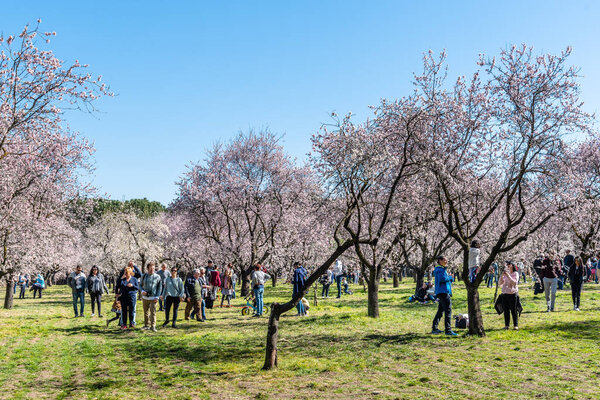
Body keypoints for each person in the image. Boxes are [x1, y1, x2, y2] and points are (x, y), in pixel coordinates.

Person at [431, 256, 457, 336]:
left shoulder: (441, 269)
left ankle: (434, 328)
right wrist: (450, 277)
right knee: (448, 311)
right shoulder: (440, 270)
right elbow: (443, 279)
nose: (447, 261)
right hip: (443, 292)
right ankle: (448, 330)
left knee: (440, 311)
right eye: (445, 260)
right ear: (440, 260)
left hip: (442, 292)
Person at [116, 261, 142, 327]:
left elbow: (137, 288)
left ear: (130, 273)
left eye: (127, 273)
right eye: (125, 273)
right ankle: (124, 324)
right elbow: (118, 285)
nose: (126, 274)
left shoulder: (134, 279)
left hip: (132, 296)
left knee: (131, 310)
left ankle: (131, 323)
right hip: (124, 296)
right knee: (124, 311)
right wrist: (121, 278)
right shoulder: (122, 279)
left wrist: (132, 285)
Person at [140, 262, 163, 332]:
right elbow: (140, 285)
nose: (152, 269)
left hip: (154, 298)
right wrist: (142, 291)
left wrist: (157, 296)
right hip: (145, 298)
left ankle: (153, 326)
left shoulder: (157, 277)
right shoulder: (144, 276)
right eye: (151, 268)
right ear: (147, 268)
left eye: (153, 268)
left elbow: (160, 287)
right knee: (146, 312)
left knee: (153, 312)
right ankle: (146, 325)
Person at [498, 261, 519, 330]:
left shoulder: (515, 273)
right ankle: (507, 325)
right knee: (506, 311)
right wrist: (502, 276)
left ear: (512, 265)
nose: (507, 266)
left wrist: (508, 276)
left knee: (514, 310)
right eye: (506, 265)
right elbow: (500, 284)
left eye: (509, 265)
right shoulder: (505, 274)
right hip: (504, 294)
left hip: (512, 294)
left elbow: (514, 283)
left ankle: (515, 325)